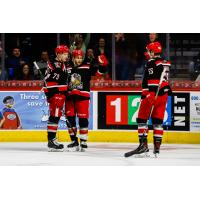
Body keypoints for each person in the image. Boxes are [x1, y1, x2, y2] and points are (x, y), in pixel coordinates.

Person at [125, 42, 171, 157]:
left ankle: (143, 147)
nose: (147, 53)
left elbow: (154, 81)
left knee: (141, 119)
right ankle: (157, 149)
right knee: (157, 122)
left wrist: (150, 95)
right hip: (163, 95)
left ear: (153, 52)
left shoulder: (152, 63)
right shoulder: (164, 62)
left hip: (151, 94)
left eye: (149, 51)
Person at [65, 49, 108, 152]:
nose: (79, 60)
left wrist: (103, 65)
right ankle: (74, 141)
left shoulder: (87, 66)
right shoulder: (67, 66)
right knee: (70, 120)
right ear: (73, 58)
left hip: (83, 97)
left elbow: (99, 73)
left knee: (82, 119)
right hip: (69, 97)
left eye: (80, 58)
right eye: (77, 58)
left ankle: (83, 141)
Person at [43, 44, 69, 152]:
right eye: (64, 54)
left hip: (58, 94)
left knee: (56, 116)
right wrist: (54, 94)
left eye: (67, 54)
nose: (67, 56)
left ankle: (52, 140)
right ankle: (51, 141)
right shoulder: (55, 65)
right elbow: (49, 82)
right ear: (58, 54)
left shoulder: (61, 64)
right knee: (54, 116)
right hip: (56, 94)